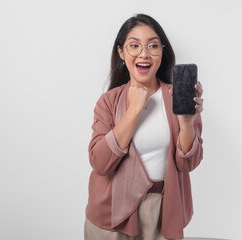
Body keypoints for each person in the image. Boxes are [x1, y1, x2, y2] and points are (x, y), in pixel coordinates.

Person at [84, 13, 204, 240]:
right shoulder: (108, 102)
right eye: (134, 45)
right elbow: (100, 163)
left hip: (163, 212)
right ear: (121, 52)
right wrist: (134, 109)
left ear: (162, 52)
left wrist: (186, 123)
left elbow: (188, 163)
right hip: (111, 215)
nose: (144, 54)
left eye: (153, 46)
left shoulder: (176, 97)